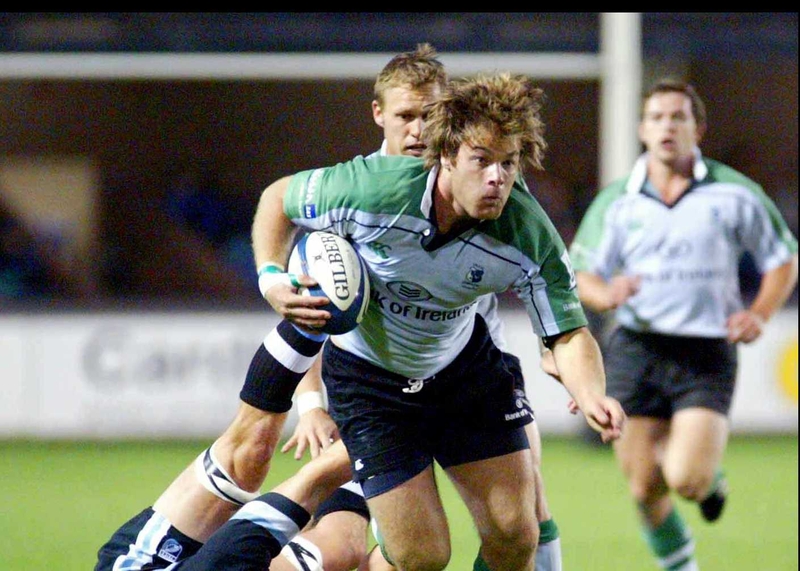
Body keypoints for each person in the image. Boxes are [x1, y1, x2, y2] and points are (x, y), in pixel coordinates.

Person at [178, 71, 623, 571]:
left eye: (509, 162)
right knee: (422, 556)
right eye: (482, 161)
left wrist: (591, 395)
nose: (498, 177)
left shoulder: (528, 232)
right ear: (448, 157)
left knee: (516, 534)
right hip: (372, 387)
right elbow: (279, 198)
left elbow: (568, 332)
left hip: (464, 374)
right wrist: (270, 277)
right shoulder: (372, 192)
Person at [568, 78, 798, 571]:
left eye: (678, 117)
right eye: (656, 118)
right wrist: (606, 293)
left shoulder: (734, 194)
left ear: (699, 128)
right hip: (636, 349)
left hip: (705, 352)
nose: (667, 126)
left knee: (686, 479)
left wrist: (759, 314)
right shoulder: (618, 201)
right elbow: (579, 274)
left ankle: (710, 482)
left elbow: (783, 260)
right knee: (643, 485)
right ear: (642, 130)